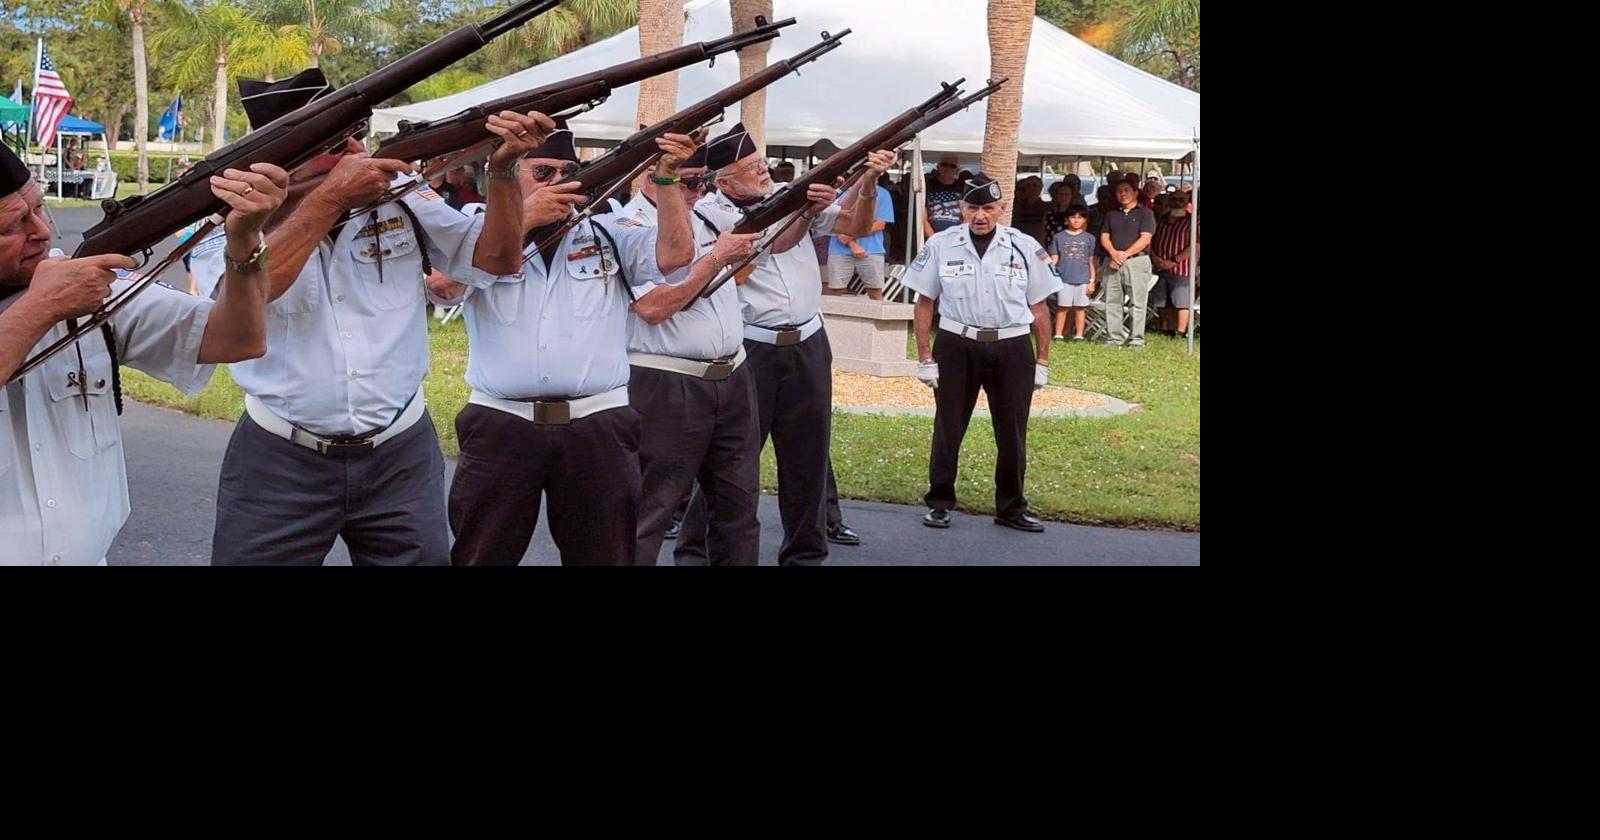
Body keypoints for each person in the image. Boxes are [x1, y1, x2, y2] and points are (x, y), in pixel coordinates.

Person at [190, 68, 540, 566]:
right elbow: (245, 297)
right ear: (285, 157)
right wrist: (331, 199)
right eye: (339, 143)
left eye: (357, 134)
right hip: (278, 458)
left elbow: (496, 260)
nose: (357, 152)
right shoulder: (228, 219)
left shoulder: (401, 194)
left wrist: (504, 170)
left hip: (402, 452)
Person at [1, 141, 287, 565]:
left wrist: (243, 242)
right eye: (14, 224)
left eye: (39, 209)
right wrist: (41, 308)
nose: (41, 231)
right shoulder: (61, 293)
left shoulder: (82, 286)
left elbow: (237, 339)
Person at [445, 121, 697, 565]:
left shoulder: (608, 230)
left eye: (568, 171)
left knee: (605, 555)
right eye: (543, 173)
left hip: (597, 422)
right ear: (510, 175)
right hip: (502, 422)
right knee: (482, 554)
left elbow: (674, 257)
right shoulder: (473, 228)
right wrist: (522, 219)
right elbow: (444, 286)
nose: (559, 182)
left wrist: (668, 179)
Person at [674, 123, 893, 566]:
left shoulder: (790, 195)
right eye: (750, 169)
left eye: (760, 164)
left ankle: (806, 553)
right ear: (724, 182)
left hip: (808, 339)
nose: (762, 173)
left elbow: (856, 222)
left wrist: (866, 179)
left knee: (808, 455)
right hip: (754, 346)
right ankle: (696, 549)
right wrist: (800, 214)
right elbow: (753, 261)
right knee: (732, 461)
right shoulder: (707, 213)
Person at [619, 141, 766, 566]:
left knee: (738, 510)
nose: (697, 191)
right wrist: (716, 258)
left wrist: (805, 206)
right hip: (667, 381)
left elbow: (757, 259)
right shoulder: (628, 226)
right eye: (687, 182)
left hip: (732, 376)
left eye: (702, 180)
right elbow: (653, 308)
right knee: (648, 509)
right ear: (652, 176)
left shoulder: (705, 215)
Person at [903, 173, 1060, 533]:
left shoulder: (1023, 245)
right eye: (972, 207)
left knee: (1012, 431)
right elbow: (925, 303)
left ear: (1001, 209)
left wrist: (1043, 361)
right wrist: (925, 357)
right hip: (957, 344)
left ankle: (1011, 507)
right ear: (961, 208)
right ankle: (940, 501)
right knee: (948, 427)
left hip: (1012, 346)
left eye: (988, 208)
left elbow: (1039, 308)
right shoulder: (942, 245)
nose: (980, 216)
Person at [1099, 179, 1156, 347]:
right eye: (1119, 191)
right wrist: (1113, 253)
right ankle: (1114, 338)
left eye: (1126, 190)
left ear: (1135, 192)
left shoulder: (1145, 213)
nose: (1123, 194)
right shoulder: (1111, 214)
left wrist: (1123, 255)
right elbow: (1104, 236)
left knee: (1137, 302)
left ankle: (1136, 339)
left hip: (1136, 261)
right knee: (1112, 301)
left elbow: (1145, 238)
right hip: (1113, 260)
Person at [826, 172, 894, 300]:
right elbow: (832, 220)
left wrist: (850, 238)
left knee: (875, 292)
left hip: (872, 250)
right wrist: (853, 244)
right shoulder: (840, 193)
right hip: (839, 250)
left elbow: (880, 224)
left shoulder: (883, 194)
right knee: (835, 292)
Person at [1048, 204, 1095, 341]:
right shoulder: (1058, 237)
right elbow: (1054, 258)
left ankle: (1079, 335)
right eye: (1073, 217)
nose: (1076, 220)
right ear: (1067, 219)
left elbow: (1091, 261)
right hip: (1064, 278)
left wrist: (1092, 281)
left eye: (1080, 217)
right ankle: (1058, 334)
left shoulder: (1089, 238)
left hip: (1083, 278)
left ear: (1085, 220)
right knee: (1063, 307)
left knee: (1080, 308)